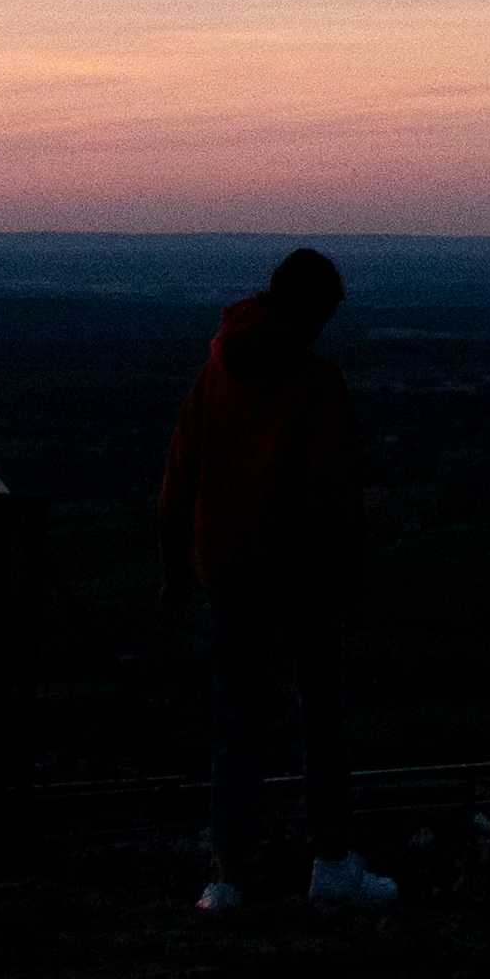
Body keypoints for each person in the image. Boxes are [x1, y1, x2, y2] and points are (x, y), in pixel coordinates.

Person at [157, 244, 398, 914]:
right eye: (324, 313)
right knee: (320, 715)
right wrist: (347, 588)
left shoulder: (216, 372)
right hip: (300, 575)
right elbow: (335, 496)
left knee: (235, 721)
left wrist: (175, 567)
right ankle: (331, 864)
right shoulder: (314, 382)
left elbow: (179, 473)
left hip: (227, 566)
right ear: (308, 308)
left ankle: (227, 877)